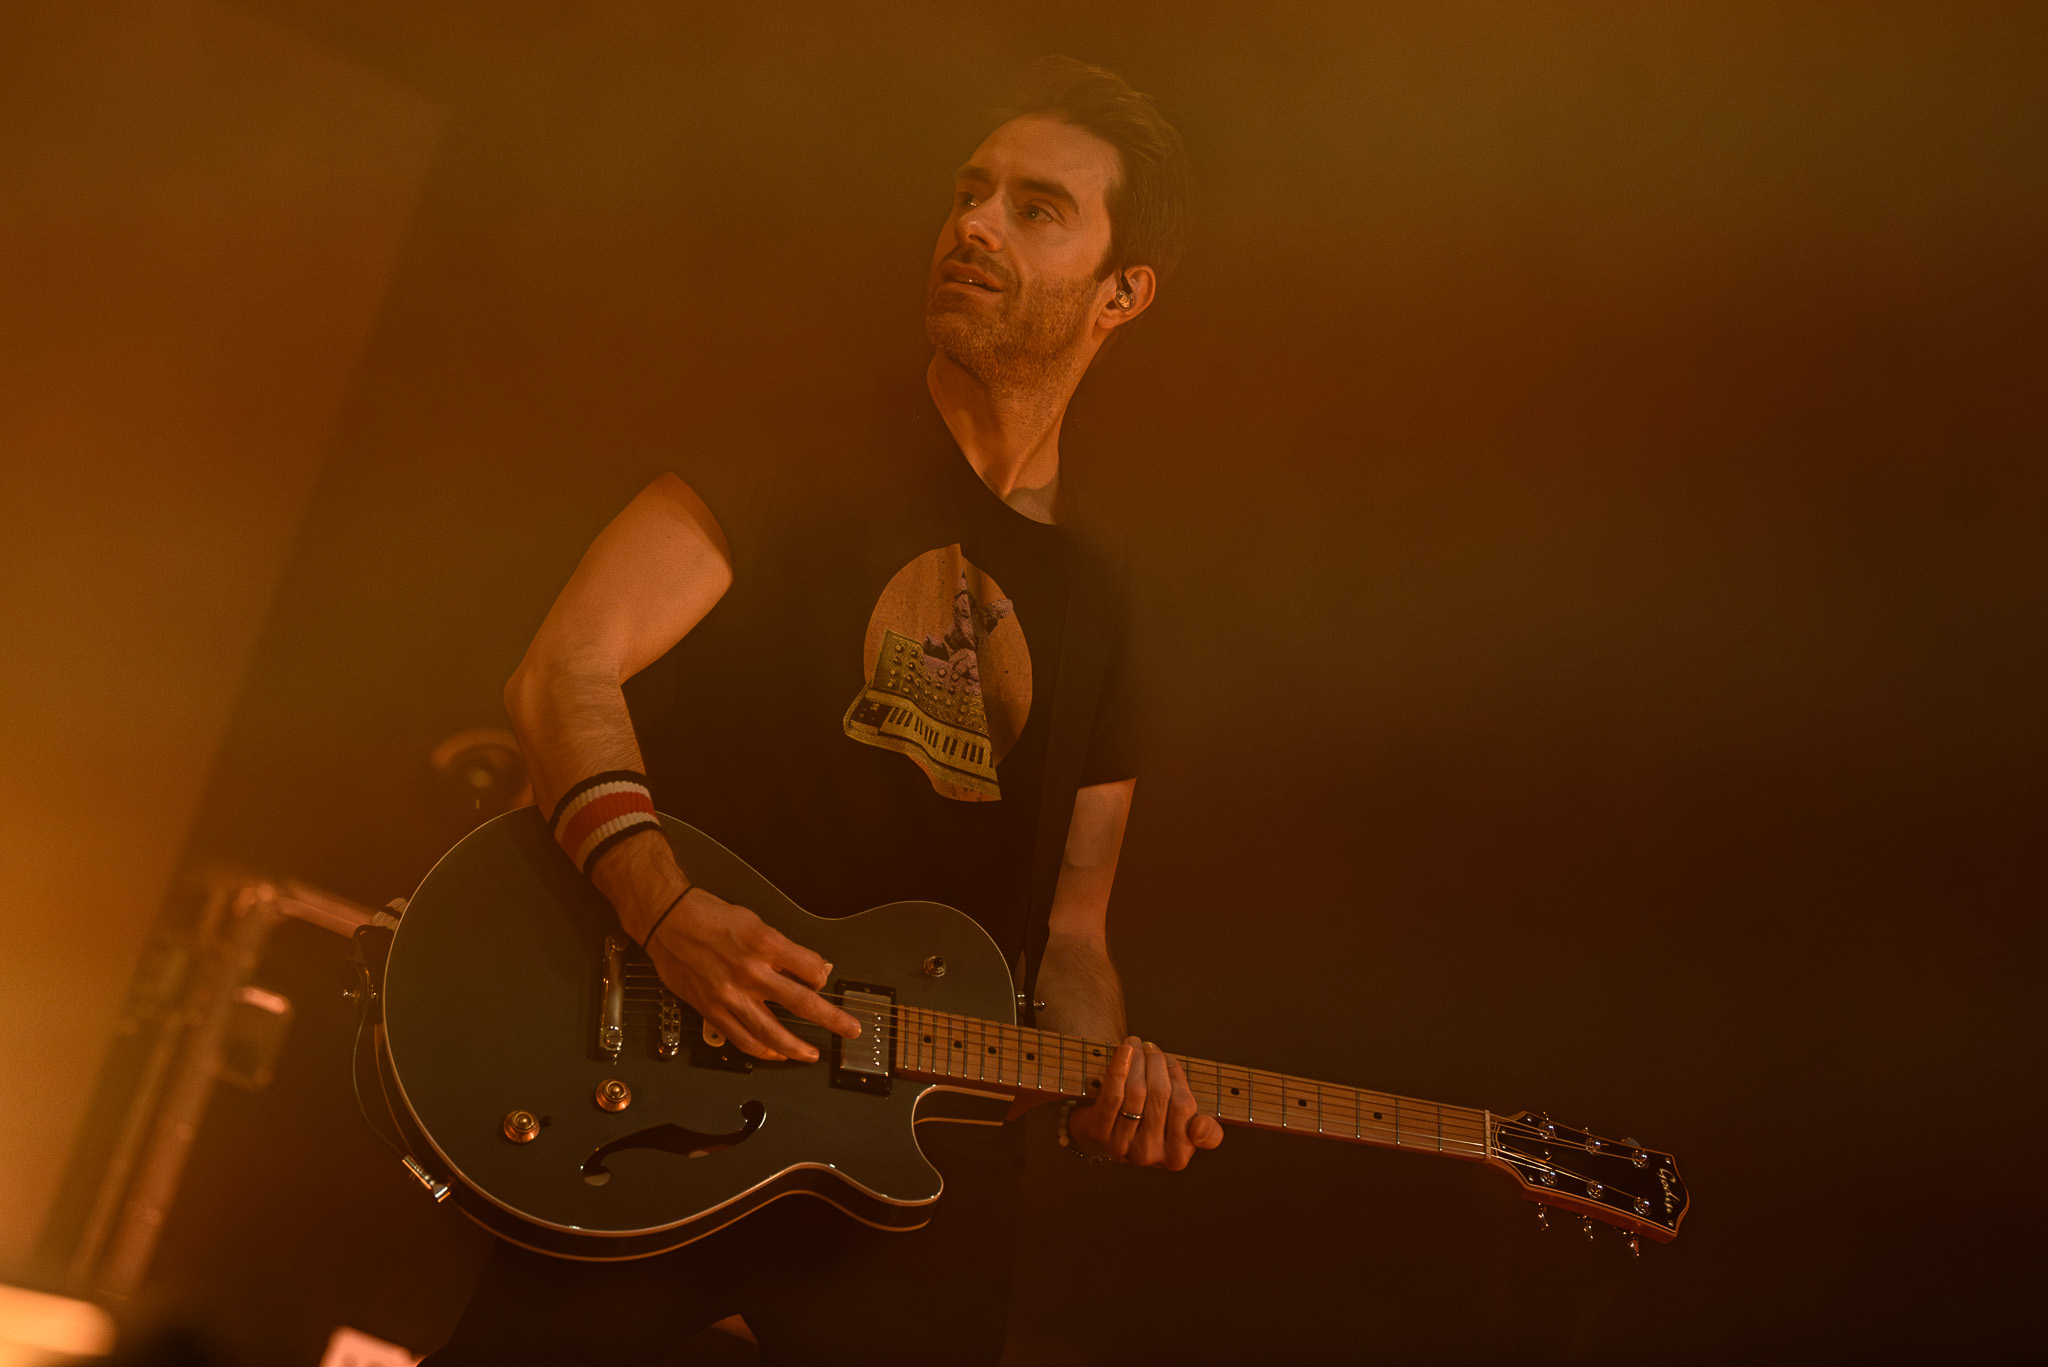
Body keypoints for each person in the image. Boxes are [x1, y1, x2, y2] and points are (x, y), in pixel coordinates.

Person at [425, 57, 1220, 1366]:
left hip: (912, 1170)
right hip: (668, 1094)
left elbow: (1072, 938)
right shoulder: (800, 445)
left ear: (1122, 292)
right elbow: (563, 670)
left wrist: (1108, 1081)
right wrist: (663, 910)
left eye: (1035, 209)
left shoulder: (1107, 596)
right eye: (969, 193)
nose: (974, 225)